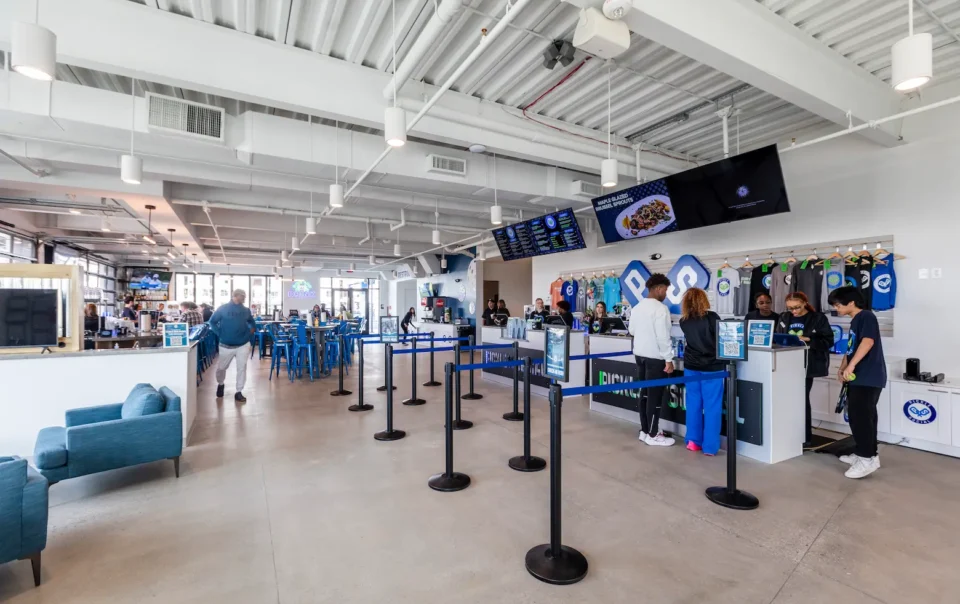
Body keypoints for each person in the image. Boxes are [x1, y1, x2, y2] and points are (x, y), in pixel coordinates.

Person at [829, 285, 886, 479]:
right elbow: (851, 347)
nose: (836, 308)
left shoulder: (866, 316)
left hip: (868, 377)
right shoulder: (855, 320)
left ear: (851, 302)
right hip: (858, 377)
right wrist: (843, 367)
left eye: (838, 304)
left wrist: (851, 366)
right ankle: (869, 453)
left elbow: (867, 342)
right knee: (864, 417)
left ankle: (866, 459)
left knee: (861, 418)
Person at [777, 291, 834, 447]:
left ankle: (804, 437)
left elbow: (828, 341)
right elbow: (778, 338)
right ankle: (786, 432)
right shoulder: (784, 317)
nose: (794, 311)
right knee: (786, 400)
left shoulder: (818, 318)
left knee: (801, 399)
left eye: (797, 307)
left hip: (808, 365)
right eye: (790, 308)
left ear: (804, 303)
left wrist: (807, 339)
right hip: (785, 364)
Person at [628, 273, 675, 446]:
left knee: (645, 395)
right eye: (666, 290)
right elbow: (663, 337)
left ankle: (645, 430)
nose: (666, 294)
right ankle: (654, 434)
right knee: (655, 396)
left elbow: (632, 330)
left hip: (640, 356)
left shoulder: (637, 307)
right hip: (656, 359)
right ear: (659, 289)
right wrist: (669, 359)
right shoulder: (660, 309)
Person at [678, 288, 725, 456]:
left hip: (691, 366)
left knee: (693, 404)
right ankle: (710, 447)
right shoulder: (712, 318)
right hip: (712, 367)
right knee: (712, 406)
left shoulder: (684, 321)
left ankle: (693, 441)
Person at [209, 289, 256, 403]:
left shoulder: (245, 310)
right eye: (242, 296)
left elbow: (251, 322)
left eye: (245, 296)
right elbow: (212, 322)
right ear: (235, 296)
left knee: (241, 368)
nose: (244, 298)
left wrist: (251, 331)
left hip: (243, 344)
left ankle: (239, 391)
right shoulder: (223, 308)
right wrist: (220, 333)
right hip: (226, 344)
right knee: (221, 368)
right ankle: (220, 383)